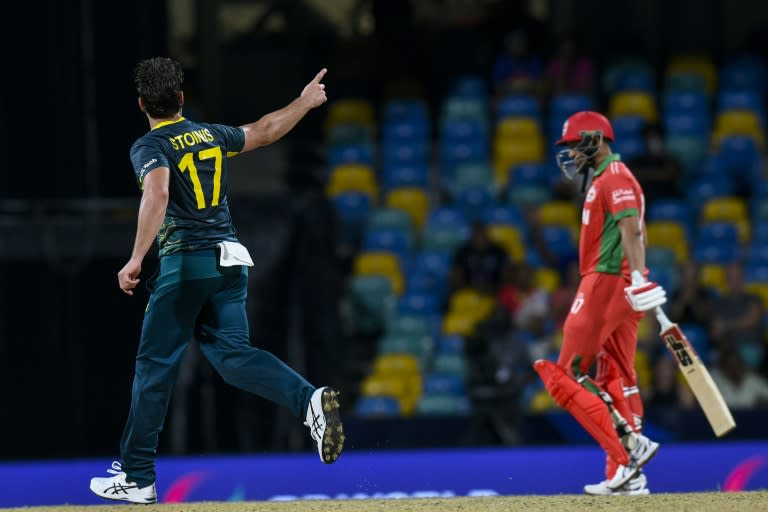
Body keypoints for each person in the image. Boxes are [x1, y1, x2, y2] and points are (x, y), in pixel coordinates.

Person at [89, 57, 344, 504]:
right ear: (182, 99)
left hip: (187, 265)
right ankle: (308, 401)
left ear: (142, 103)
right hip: (230, 263)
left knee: (153, 367)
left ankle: (136, 475)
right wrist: (303, 103)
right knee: (233, 357)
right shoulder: (211, 133)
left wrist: (135, 258)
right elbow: (264, 129)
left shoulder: (150, 145)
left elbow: (159, 192)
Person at [532, 111, 667, 496]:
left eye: (575, 145)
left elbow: (632, 227)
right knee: (617, 378)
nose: (571, 154)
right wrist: (636, 279)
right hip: (618, 284)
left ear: (595, 139)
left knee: (565, 376)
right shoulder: (606, 179)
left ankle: (629, 452)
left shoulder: (616, 177)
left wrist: (639, 275)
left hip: (606, 281)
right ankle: (627, 478)